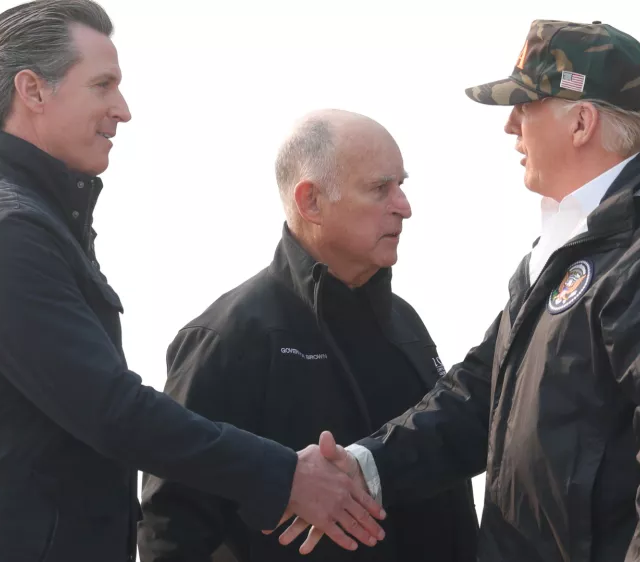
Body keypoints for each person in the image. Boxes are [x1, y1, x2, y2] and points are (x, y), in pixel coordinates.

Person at [280, 19, 640, 562]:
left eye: (526, 105)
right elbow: (480, 394)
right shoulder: (571, 248)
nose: (511, 127)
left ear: (581, 122)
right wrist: (365, 466)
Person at [0, 3, 385, 562]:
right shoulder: (4, 233)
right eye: (102, 85)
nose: (123, 110)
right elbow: (113, 411)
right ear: (32, 91)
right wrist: (284, 475)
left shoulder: (32, 224)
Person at [137, 109, 480, 562]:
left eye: (402, 184)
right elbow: (170, 530)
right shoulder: (228, 338)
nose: (404, 206)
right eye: (381, 188)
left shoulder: (406, 325)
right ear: (311, 201)